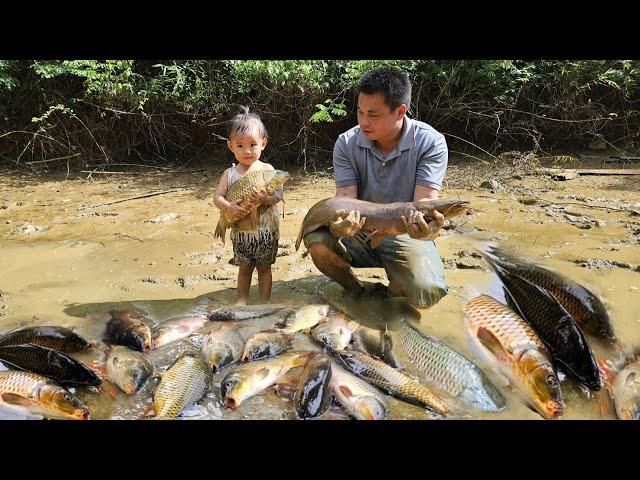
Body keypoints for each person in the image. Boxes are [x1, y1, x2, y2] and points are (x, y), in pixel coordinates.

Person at [302, 66, 449, 309]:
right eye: (360, 112)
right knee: (316, 240)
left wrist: (428, 232)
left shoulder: (430, 142)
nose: (363, 122)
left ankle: (396, 293)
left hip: (404, 234)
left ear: (400, 111)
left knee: (426, 291)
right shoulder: (346, 143)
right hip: (359, 230)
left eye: (373, 114)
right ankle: (357, 291)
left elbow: (425, 204)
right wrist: (340, 228)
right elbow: (345, 200)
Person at [213, 107, 283, 305]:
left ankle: (264, 301)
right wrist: (227, 207)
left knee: (264, 268)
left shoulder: (268, 170)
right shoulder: (229, 173)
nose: (247, 151)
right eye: (240, 145)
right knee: (244, 268)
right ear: (230, 146)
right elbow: (217, 197)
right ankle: (241, 299)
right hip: (241, 232)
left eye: (253, 144)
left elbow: (278, 196)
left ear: (263, 143)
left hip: (265, 231)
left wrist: (265, 199)